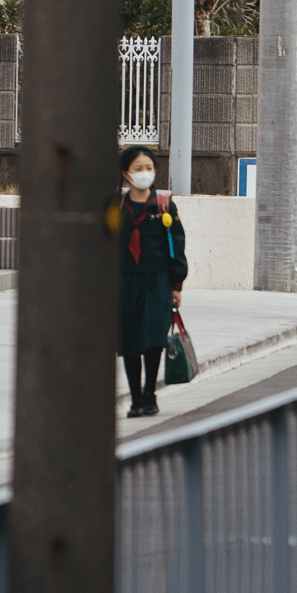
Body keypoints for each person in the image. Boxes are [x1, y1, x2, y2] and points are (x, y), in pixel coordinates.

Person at [118, 145, 188, 417]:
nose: (144, 173)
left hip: (157, 281)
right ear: (126, 173)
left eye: (149, 168)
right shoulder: (117, 206)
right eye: (138, 169)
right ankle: (135, 398)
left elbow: (177, 245)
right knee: (130, 340)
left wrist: (176, 285)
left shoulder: (164, 206)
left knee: (153, 338)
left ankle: (150, 393)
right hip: (125, 282)